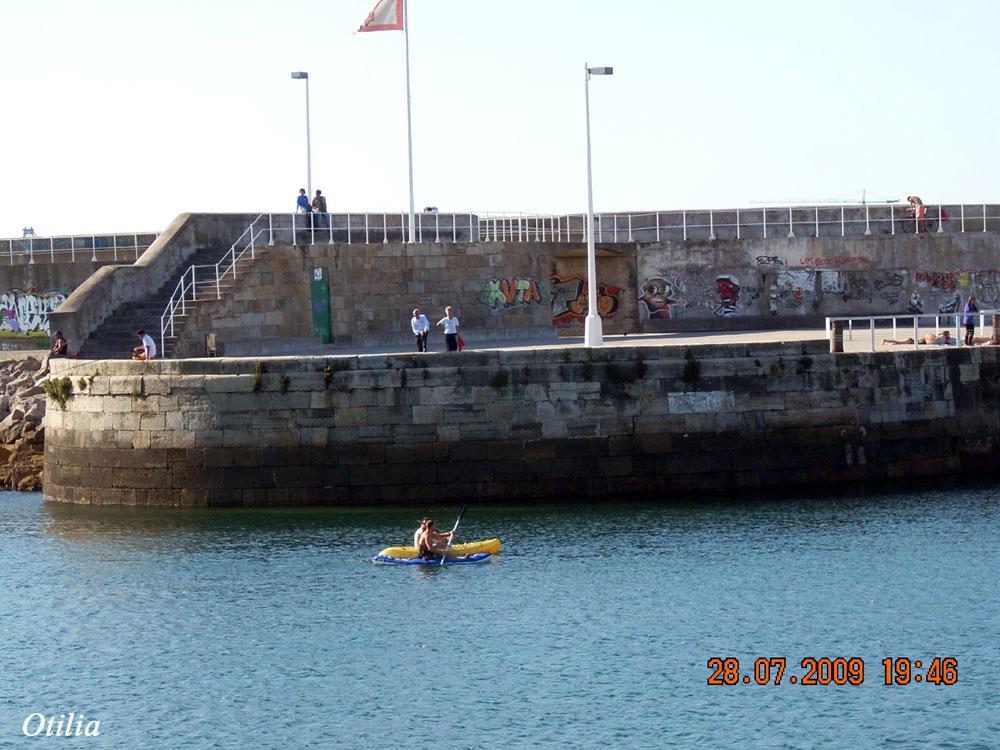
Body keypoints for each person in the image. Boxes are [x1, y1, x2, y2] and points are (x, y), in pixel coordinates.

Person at [882, 330, 955, 346]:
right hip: (910, 340)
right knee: (899, 342)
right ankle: (886, 340)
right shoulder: (912, 341)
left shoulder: (919, 341)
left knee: (899, 342)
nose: (948, 336)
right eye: (948, 335)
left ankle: (887, 341)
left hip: (912, 340)